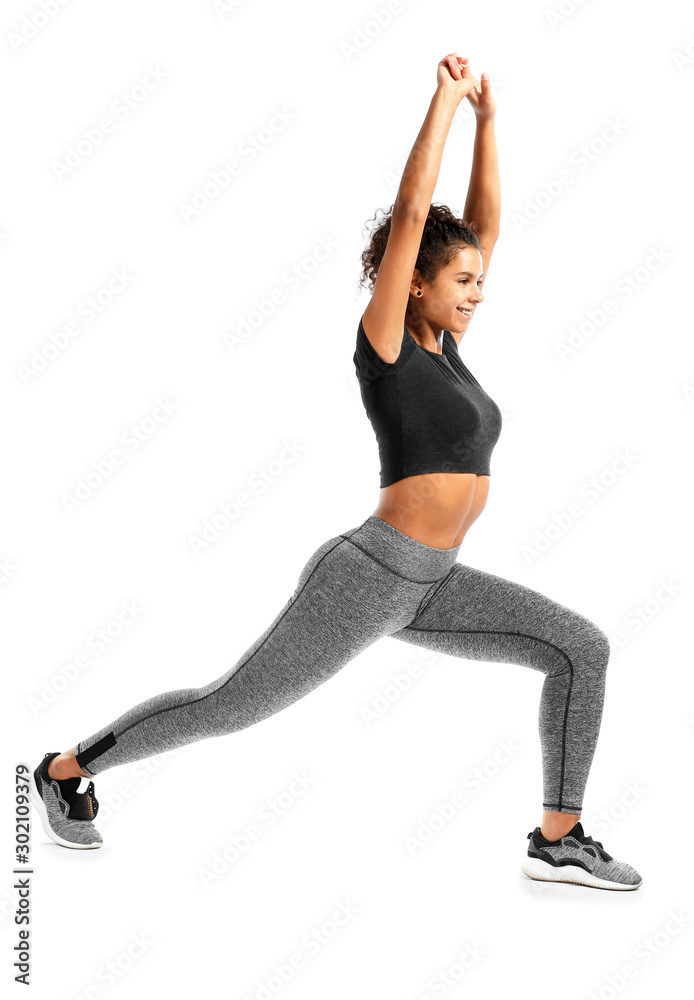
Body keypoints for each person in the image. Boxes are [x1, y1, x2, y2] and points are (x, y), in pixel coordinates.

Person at [30, 52, 641, 891]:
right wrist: (443, 105)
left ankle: (558, 836)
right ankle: (66, 770)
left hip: (436, 581)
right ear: (414, 281)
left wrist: (491, 123)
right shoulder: (386, 343)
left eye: (479, 281)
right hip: (370, 573)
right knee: (231, 706)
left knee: (580, 648)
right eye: (461, 280)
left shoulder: (449, 351)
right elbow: (414, 209)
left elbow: (484, 229)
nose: (477, 292)